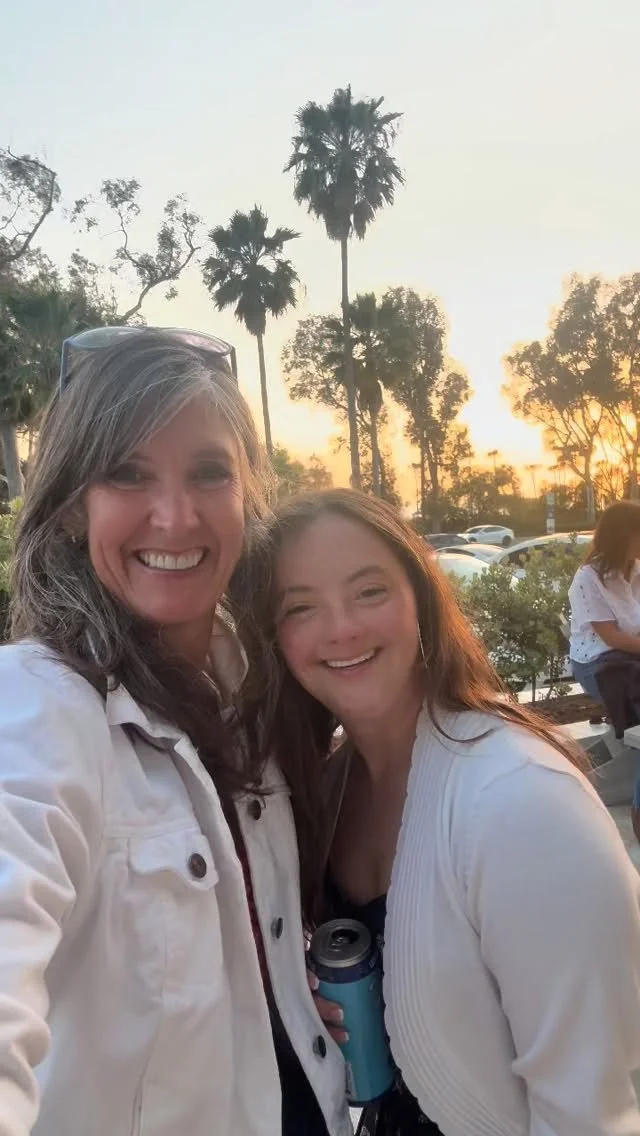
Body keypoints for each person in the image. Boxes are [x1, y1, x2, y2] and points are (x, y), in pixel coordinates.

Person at [0, 328, 350, 1136]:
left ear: (247, 494)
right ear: (73, 503)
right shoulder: (37, 706)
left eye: (209, 472)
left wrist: (279, 988)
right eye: (127, 473)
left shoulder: (253, 691)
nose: (175, 515)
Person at [240, 487, 640, 1136]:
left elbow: (588, 1110)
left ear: (421, 598)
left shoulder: (521, 801)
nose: (341, 628)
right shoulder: (330, 787)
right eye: (300, 607)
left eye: (369, 591)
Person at [569, 500, 640, 708]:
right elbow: (612, 637)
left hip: (633, 653)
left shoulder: (637, 570)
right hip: (599, 660)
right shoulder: (588, 578)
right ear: (622, 537)